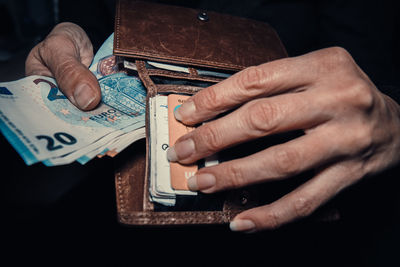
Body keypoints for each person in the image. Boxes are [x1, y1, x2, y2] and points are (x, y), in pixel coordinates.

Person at [24, 1, 400, 234]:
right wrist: (68, 40)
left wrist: (392, 122)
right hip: (115, 193)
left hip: (309, 208)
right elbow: (88, 22)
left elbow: (379, 81)